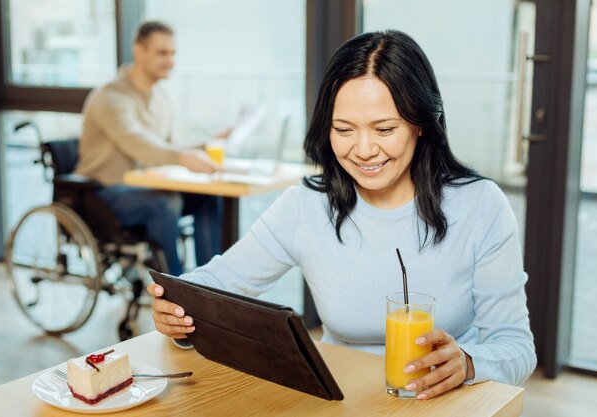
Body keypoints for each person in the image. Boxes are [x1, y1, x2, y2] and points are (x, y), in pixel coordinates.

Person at [146, 30, 537, 399]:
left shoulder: (480, 205)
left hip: (440, 400)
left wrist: (469, 363)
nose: (363, 150)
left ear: (421, 125)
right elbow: (215, 284)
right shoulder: (306, 205)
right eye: (343, 129)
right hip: (340, 396)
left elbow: (516, 346)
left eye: (384, 129)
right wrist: (176, 313)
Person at [75, 21, 224, 276]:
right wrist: (181, 157)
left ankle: (212, 282)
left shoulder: (161, 98)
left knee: (209, 196)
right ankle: (178, 291)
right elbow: (137, 142)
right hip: (104, 192)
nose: (171, 60)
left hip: (145, 188)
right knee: (165, 203)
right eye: (162, 53)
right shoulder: (110, 97)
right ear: (139, 51)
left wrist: (207, 147)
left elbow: (165, 146)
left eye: (173, 53)